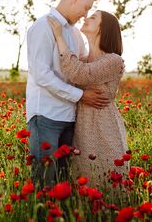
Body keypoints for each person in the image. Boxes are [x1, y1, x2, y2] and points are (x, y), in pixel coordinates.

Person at [26, 0, 110, 188]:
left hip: (70, 116)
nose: (85, 14)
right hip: (46, 114)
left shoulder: (74, 33)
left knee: (64, 179)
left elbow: (82, 69)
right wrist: (80, 96)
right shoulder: (42, 26)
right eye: (86, 7)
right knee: (45, 180)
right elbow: (42, 75)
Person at [47, 10, 128, 187]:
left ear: (102, 28)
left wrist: (59, 36)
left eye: (93, 17)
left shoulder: (113, 61)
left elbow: (79, 74)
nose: (85, 18)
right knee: (84, 178)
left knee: (108, 176)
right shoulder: (82, 59)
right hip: (81, 126)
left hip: (103, 126)